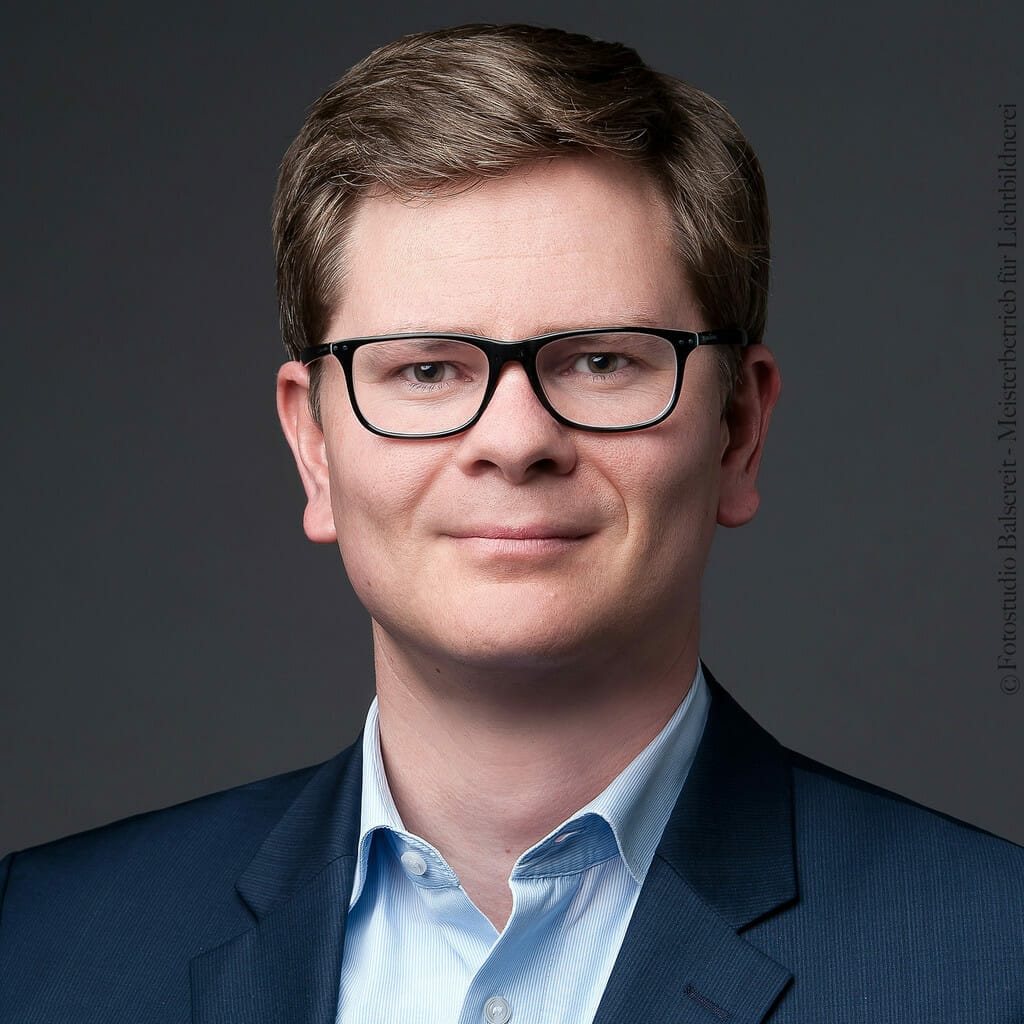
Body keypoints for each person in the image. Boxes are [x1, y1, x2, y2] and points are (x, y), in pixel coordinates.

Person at [1, 22, 1021, 1024]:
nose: (515, 438)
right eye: (427, 369)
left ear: (739, 431)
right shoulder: (35, 945)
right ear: (314, 447)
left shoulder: (993, 958)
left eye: (602, 360)